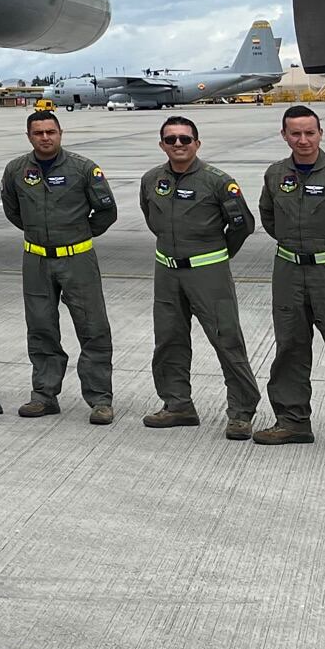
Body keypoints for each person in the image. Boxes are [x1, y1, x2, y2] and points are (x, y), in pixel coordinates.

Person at [253, 105, 325, 456]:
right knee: (290, 349)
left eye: (309, 132)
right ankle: (292, 422)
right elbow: (268, 217)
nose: (303, 139)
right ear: (284, 135)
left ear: (320, 134)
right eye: (295, 133)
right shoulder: (275, 175)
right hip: (288, 273)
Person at [138, 115, 258, 438]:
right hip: (167, 273)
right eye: (171, 139)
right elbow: (153, 220)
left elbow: (242, 225)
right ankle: (178, 405)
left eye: (185, 139)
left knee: (226, 339)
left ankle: (241, 412)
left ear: (197, 144)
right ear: (162, 144)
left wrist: (214, 256)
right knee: (169, 340)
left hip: (209, 274)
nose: (178, 144)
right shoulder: (151, 180)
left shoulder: (217, 181)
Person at [0, 109, 117, 424]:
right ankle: (44, 395)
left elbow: (106, 212)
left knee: (92, 329)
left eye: (50, 131)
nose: (45, 137)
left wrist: (78, 234)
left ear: (60, 133)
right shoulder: (16, 170)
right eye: (38, 133)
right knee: (40, 328)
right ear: (29, 137)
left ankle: (100, 399)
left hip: (77, 259)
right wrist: (38, 233)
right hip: (36, 259)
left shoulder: (83, 169)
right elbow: (13, 210)